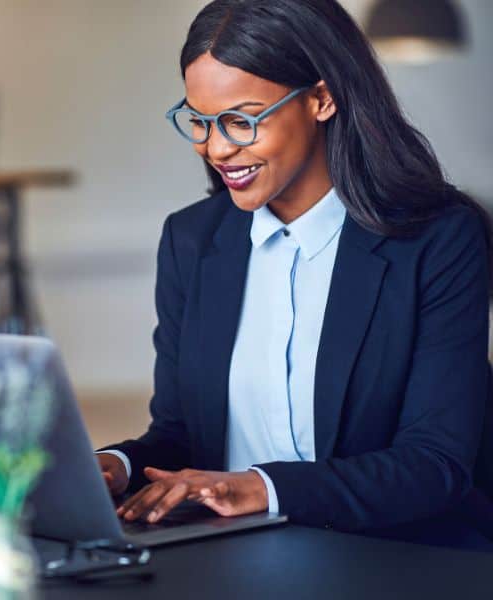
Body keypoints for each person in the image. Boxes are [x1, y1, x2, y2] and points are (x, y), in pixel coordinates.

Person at [97, 0, 493, 549]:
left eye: (241, 119)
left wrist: (263, 488)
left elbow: (435, 464)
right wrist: (114, 465)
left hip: (391, 555)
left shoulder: (437, 240)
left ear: (321, 99)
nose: (216, 147)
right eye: (200, 120)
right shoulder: (191, 241)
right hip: (230, 553)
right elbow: (181, 437)